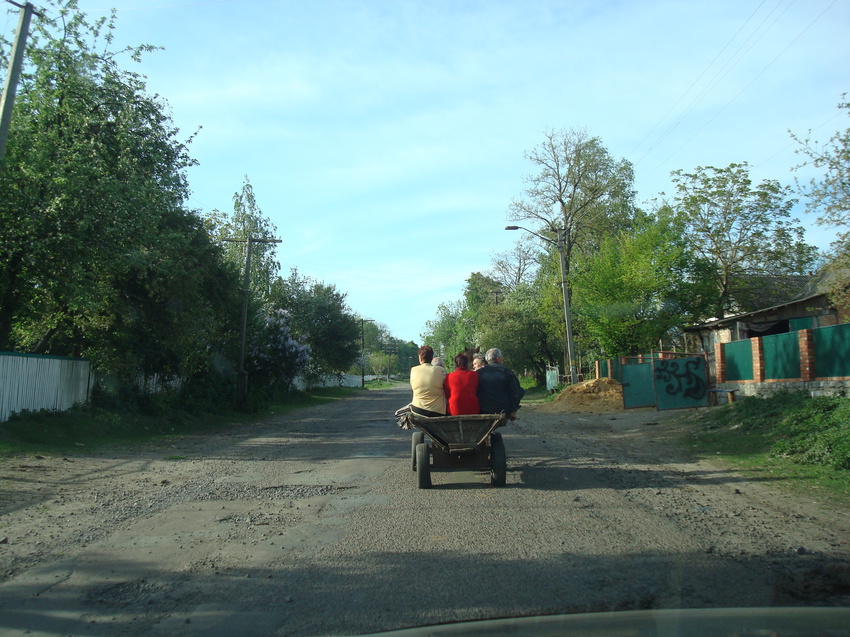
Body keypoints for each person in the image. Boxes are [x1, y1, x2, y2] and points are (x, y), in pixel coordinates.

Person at [476, 347, 524, 420]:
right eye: (502, 357)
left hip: (484, 409)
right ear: (498, 359)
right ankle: (512, 413)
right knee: (521, 390)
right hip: (504, 410)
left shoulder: (479, 373)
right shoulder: (507, 372)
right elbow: (515, 392)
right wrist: (513, 410)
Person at [409, 345, 446, 417]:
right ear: (432, 358)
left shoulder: (414, 370)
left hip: (417, 409)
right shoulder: (440, 370)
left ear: (420, 358)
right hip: (437, 411)